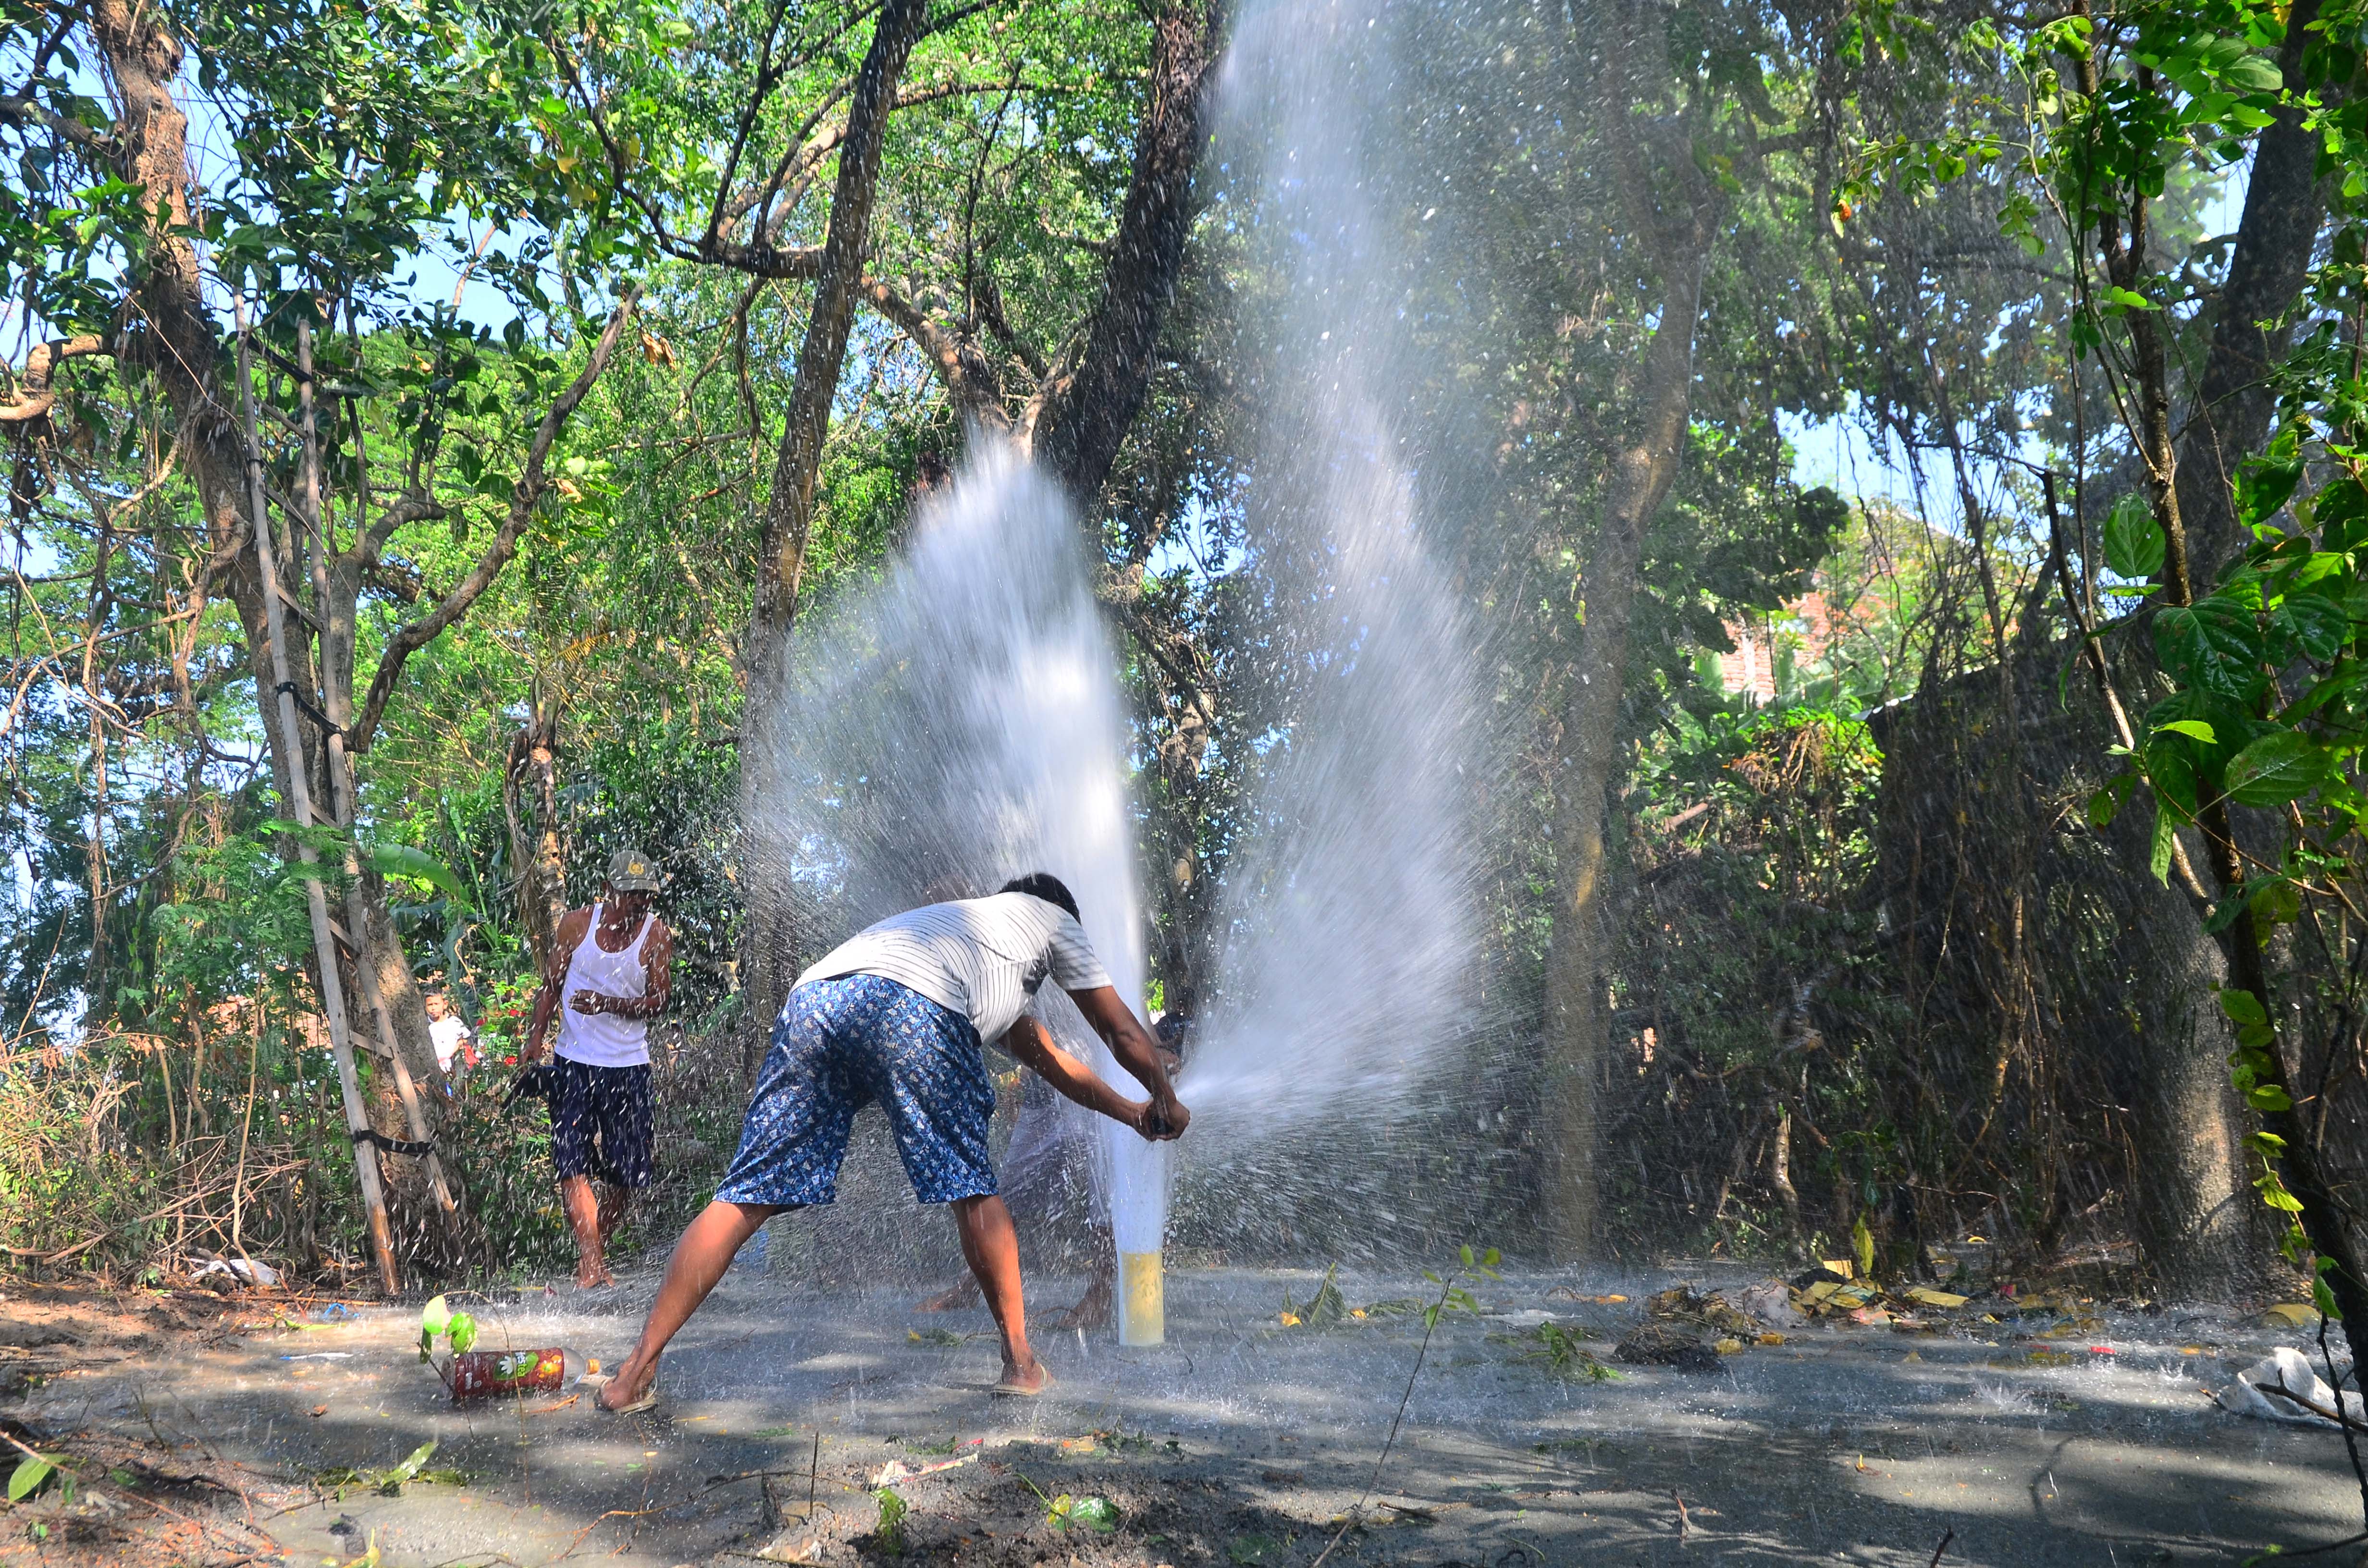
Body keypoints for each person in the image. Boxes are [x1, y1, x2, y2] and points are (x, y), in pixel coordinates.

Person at [588, 872, 1188, 1411]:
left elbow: (1057, 1064)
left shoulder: (972, 946)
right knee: (973, 1187)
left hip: (816, 1001)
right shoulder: (1054, 917)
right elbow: (1119, 1030)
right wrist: (1164, 1092)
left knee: (746, 1196)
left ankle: (634, 1373)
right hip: (914, 1006)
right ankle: (1021, 1364)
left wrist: (1134, 1114)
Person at [917, 1009, 1190, 1328]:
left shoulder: (1072, 959)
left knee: (1105, 1196)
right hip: (1047, 1089)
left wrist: (1154, 1048)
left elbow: (1119, 995)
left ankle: (1099, 1297)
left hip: (1104, 1085)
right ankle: (970, 1287)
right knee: (1005, 1193)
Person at [522, 846, 674, 1288]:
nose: (638, 903)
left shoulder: (656, 935)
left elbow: (660, 1001)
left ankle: (594, 1254)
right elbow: (551, 987)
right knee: (571, 1161)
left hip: (629, 1067)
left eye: (646, 895)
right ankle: (591, 1261)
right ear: (608, 890)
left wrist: (609, 1003)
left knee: (630, 1174)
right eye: (630, 895)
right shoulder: (575, 926)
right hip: (573, 1062)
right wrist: (535, 1037)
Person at [425, 990, 479, 1092]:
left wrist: (457, 1047)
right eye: (430, 1005)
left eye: (436, 1004)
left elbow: (467, 1039)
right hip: (435, 1070)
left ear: (444, 1005)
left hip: (454, 1068)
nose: (433, 1008)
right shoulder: (425, 1025)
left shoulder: (454, 1022)